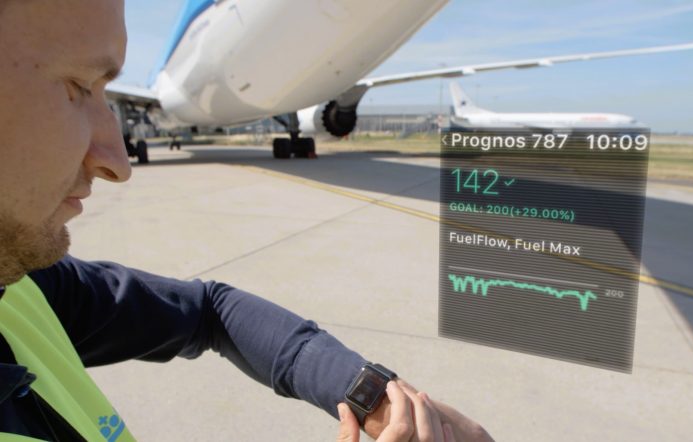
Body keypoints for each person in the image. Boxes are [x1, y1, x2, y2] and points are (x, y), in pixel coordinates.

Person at [0, 0, 493, 440]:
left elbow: (210, 311)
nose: (119, 163)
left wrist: (380, 400)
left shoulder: (23, 292)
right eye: (76, 87)